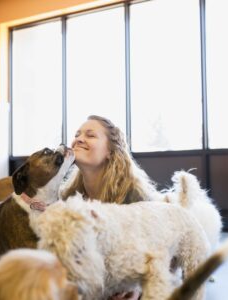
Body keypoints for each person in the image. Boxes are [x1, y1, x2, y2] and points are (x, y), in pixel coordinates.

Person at [61, 115, 162, 300]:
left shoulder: (135, 195)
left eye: (90, 135)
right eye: (77, 134)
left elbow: (155, 252)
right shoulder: (67, 197)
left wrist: (137, 285)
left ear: (109, 151)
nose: (79, 139)